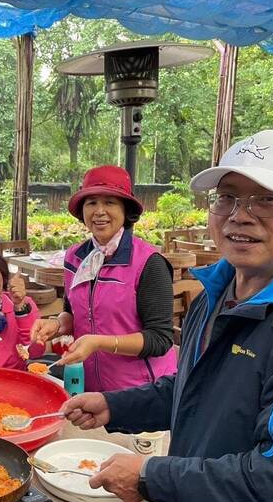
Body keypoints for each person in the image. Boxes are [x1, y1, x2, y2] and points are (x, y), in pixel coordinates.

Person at [63, 130, 273, 502]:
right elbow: (202, 390)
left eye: (267, 199)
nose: (240, 215)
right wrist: (114, 406)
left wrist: (150, 475)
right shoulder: (219, 289)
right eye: (227, 197)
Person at [30, 165, 176, 391]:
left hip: (142, 391)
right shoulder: (75, 257)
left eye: (109, 202)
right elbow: (73, 311)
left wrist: (98, 342)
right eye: (91, 202)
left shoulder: (149, 262)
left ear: (126, 210)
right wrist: (56, 324)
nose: (99, 211)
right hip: (90, 386)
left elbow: (160, 339)